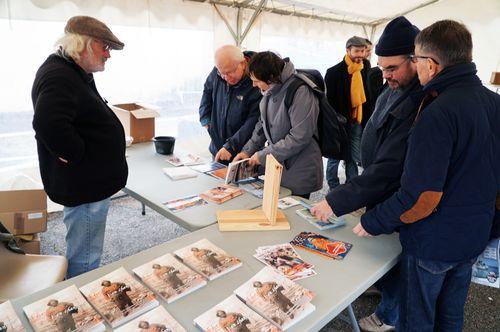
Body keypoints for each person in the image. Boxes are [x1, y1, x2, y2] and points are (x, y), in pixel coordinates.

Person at [354, 20, 500, 331]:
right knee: (450, 315)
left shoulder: (437, 111)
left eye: (416, 60)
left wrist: (373, 221)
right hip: (474, 234)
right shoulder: (493, 102)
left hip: (434, 242)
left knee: (417, 318)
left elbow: (421, 197)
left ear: (431, 65)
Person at [311, 16, 422, 332]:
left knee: (399, 257)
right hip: (378, 186)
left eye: (392, 68)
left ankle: (389, 314)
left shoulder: (420, 101)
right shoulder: (394, 86)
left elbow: (391, 167)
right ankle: (383, 288)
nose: (385, 75)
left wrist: (338, 200)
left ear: (416, 60)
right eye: (382, 67)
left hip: (398, 193)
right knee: (380, 248)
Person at [31, 16, 128, 279]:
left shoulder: (73, 70)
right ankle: (79, 299)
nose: (108, 55)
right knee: (85, 256)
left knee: (85, 246)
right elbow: (47, 122)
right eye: (104, 47)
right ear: (84, 44)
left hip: (88, 182)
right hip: (85, 185)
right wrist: (75, 153)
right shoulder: (59, 75)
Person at [233, 52, 323, 198]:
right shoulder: (269, 91)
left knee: (292, 215)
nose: (253, 85)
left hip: (300, 168)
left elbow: (300, 137)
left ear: (270, 77)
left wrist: (263, 155)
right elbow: (261, 126)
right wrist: (247, 151)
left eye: (256, 80)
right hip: (279, 166)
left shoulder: (301, 91)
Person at [199, 45, 262, 163]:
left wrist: (231, 146)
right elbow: (207, 90)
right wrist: (205, 119)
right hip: (217, 149)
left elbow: (253, 121)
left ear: (243, 63)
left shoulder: (256, 82)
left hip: (243, 153)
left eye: (230, 72)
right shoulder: (218, 71)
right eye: (222, 73)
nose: (226, 77)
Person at [324, 36, 371, 190]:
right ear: (347, 50)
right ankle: (333, 186)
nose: (360, 54)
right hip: (339, 122)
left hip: (357, 120)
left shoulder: (365, 67)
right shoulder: (333, 72)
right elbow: (328, 103)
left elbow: (367, 94)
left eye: (363, 51)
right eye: (357, 51)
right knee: (335, 156)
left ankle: (351, 187)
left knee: (353, 156)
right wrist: (336, 121)